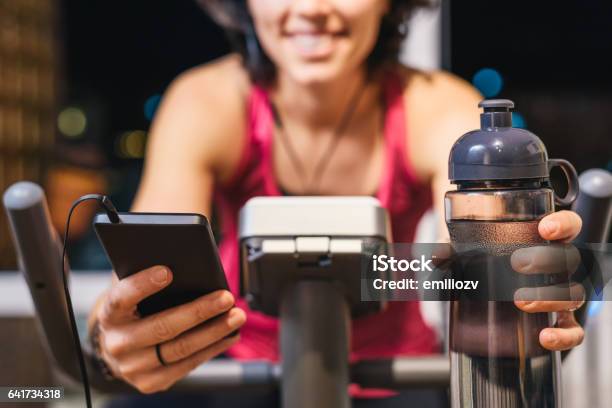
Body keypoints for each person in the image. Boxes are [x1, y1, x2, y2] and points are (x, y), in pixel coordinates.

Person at [88, 1, 585, 406]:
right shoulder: (206, 101)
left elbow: (472, 267)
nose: (311, 9)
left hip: (394, 377)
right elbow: (145, 281)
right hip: (241, 369)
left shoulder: (435, 104)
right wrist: (113, 336)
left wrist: (524, 282)